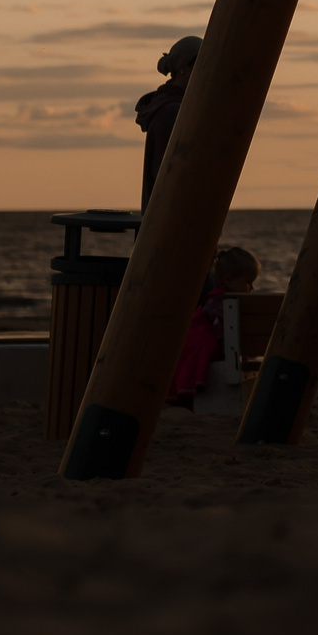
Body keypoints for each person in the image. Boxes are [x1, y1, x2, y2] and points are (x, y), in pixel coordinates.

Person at [168, 244, 260, 407]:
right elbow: (225, 336)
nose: (252, 288)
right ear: (229, 279)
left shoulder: (215, 300)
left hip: (193, 347)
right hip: (201, 349)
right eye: (248, 283)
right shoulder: (219, 304)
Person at [134, 35, 202, 209]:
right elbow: (167, 174)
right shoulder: (171, 112)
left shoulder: (175, 107)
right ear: (184, 69)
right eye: (201, 63)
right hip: (171, 218)